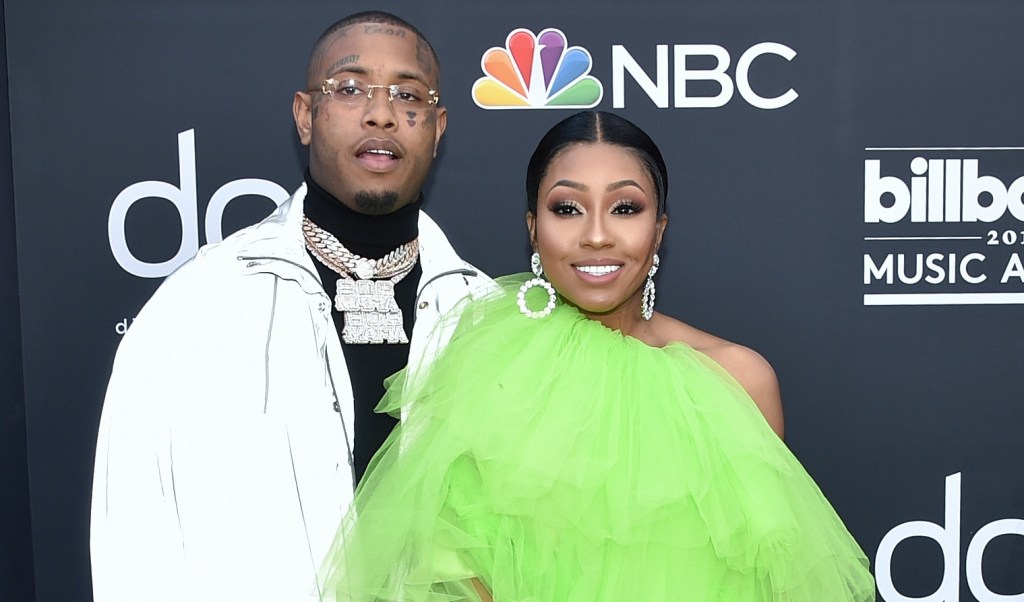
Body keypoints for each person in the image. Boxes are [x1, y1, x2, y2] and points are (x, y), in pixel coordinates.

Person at [318, 111, 876, 601]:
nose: (597, 235)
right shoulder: (487, 371)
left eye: (625, 207)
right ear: (533, 229)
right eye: (567, 208)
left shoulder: (737, 379)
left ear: (659, 229)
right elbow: (454, 572)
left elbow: (770, 577)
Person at [90, 11, 491, 601]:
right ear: (306, 115)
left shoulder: (484, 317)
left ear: (437, 127)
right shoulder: (198, 308)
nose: (381, 113)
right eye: (350, 88)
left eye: (408, 95)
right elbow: (133, 536)